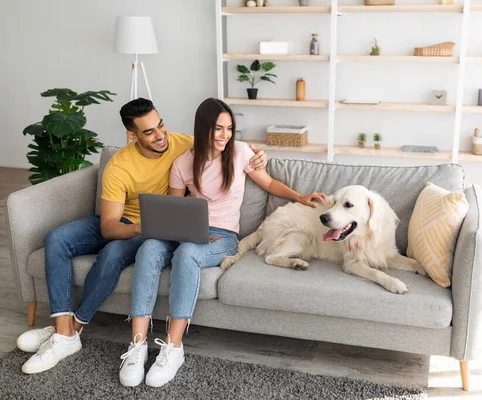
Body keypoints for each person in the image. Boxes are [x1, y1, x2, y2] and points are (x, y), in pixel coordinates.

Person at [16, 98, 268, 374]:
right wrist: (140, 227)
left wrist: (257, 154)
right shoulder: (119, 165)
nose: (160, 136)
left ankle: (66, 333)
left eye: (160, 125)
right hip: (125, 223)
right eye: (149, 132)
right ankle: (64, 331)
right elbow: (109, 227)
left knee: (113, 254)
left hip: (154, 228)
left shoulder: (183, 145)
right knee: (56, 239)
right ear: (132, 135)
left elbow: (222, 144)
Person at [118, 98, 326, 388]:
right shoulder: (182, 163)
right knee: (150, 247)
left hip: (223, 237)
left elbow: (268, 183)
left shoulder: (240, 153)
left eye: (229, 129)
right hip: (185, 230)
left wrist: (300, 196)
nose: (224, 135)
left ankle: (173, 347)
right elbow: (175, 208)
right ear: (203, 128)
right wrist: (169, 226)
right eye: (218, 129)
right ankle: (138, 346)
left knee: (188, 253)